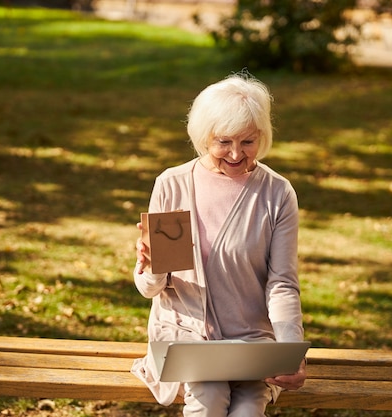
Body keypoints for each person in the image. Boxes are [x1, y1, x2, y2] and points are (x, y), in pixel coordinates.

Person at [131, 71, 306, 417]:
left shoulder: (277, 193)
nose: (237, 154)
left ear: (263, 137)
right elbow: (151, 289)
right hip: (186, 339)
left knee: (247, 409)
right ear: (202, 137)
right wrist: (151, 268)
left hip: (250, 343)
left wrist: (290, 350)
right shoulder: (173, 185)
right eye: (224, 142)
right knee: (209, 398)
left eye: (248, 141)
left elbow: (282, 284)